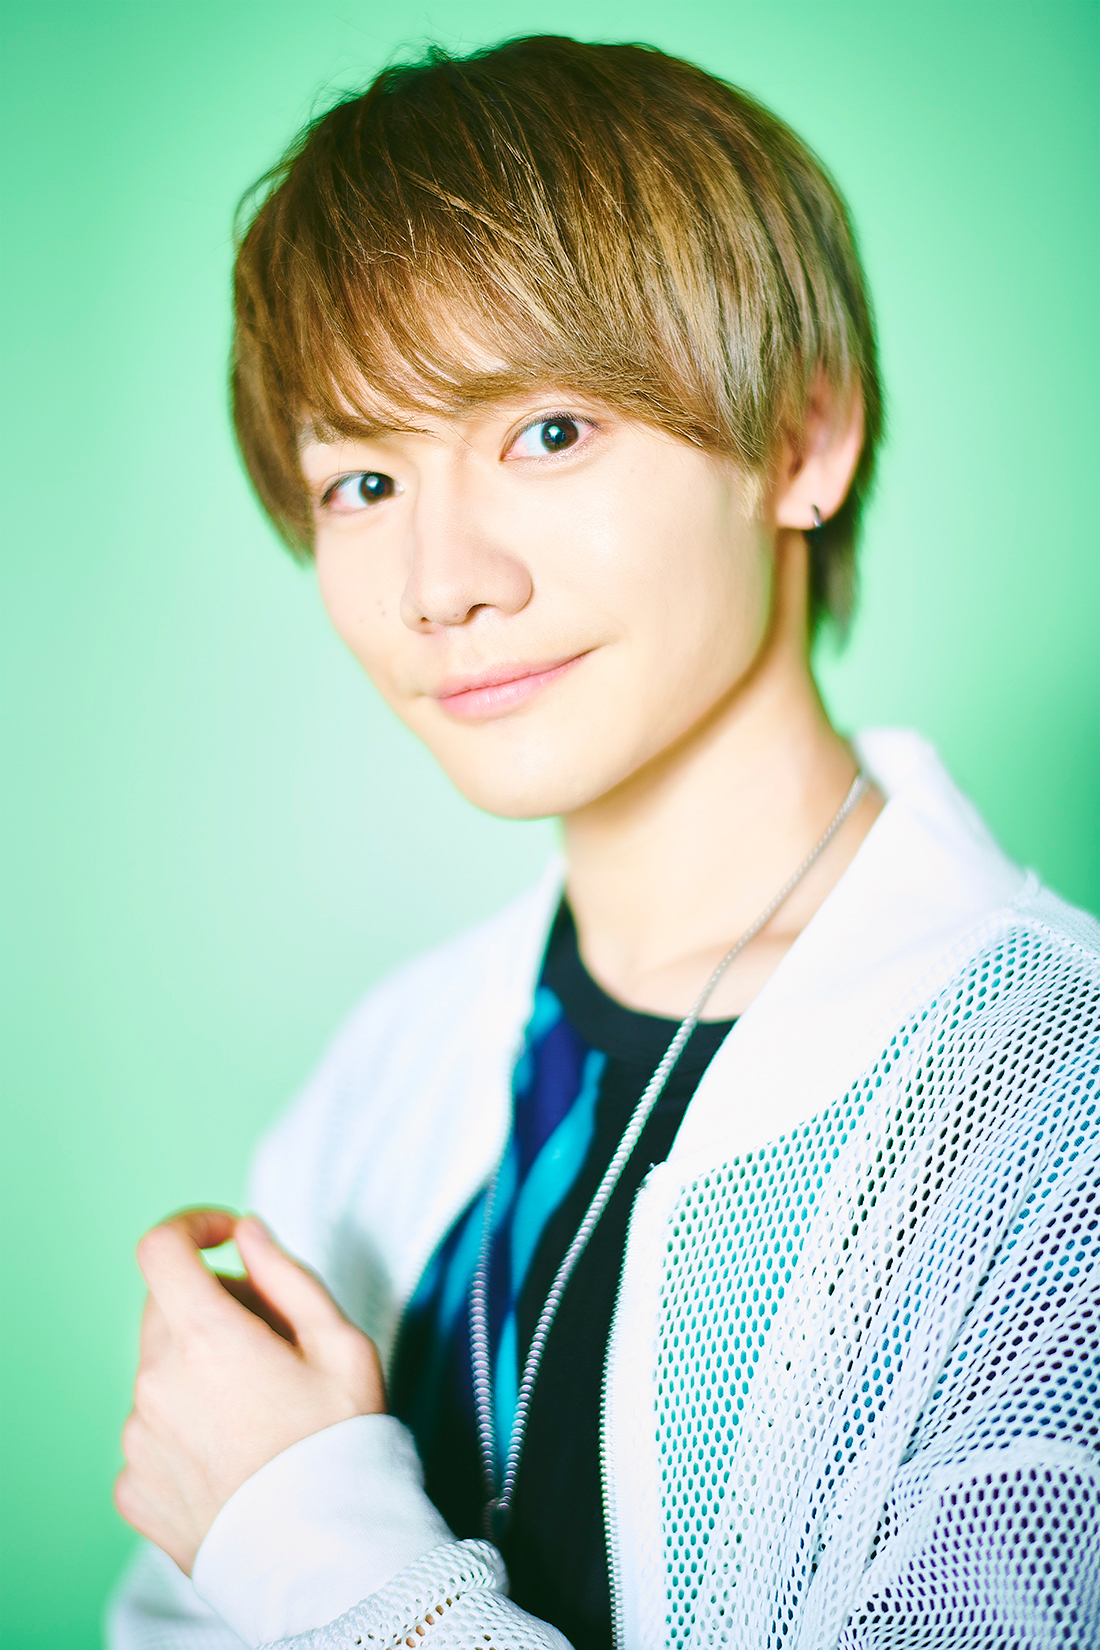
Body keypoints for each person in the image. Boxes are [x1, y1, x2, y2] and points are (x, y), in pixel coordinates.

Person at [107, 34, 1100, 1650]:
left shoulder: (1061, 1113)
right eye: (362, 480)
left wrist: (309, 1535)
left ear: (803, 440)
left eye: (550, 432)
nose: (441, 582)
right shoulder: (395, 1067)